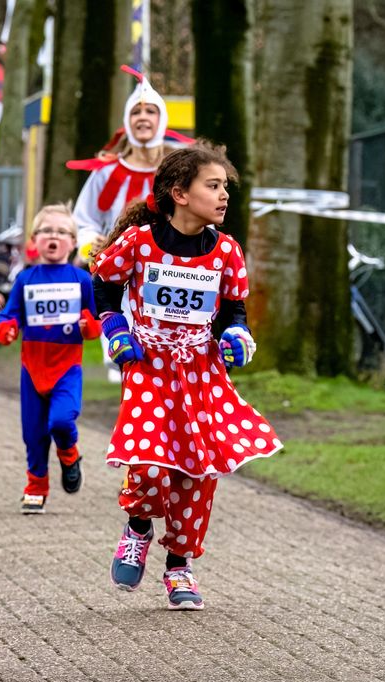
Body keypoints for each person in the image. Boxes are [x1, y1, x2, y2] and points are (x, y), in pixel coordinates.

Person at [91, 141, 281, 611]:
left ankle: (179, 565)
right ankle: (138, 527)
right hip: (149, 365)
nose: (224, 196)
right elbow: (103, 284)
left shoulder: (226, 252)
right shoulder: (139, 242)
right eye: (212, 186)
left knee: (199, 472)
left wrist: (237, 334)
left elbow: (233, 310)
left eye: (225, 187)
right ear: (180, 192)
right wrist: (115, 328)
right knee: (151, 462)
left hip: (201, 372)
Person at [72, 65, 186, 384]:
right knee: (128, 361)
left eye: (151, 110)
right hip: (119, 279)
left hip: (169, 275)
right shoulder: (106, 174)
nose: (143, 117)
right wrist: (90, 242)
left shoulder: (179, 170)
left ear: (161, 119)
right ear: (127, 121)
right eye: (136, 111)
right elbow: (84, 220)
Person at [0, 204, 101, 514]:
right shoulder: (26, 279)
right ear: (34, 240)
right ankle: (35, 487)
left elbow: (96, 322)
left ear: (73, 241)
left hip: (67, 367)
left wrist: (88, 326)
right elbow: (9, 316)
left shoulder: (82, 280)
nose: (53, 237)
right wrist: (7, 329)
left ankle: (69, 453)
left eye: (61, 232)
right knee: (33, 433)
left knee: (61, 420)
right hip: (32, 369)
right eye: (46, 231)